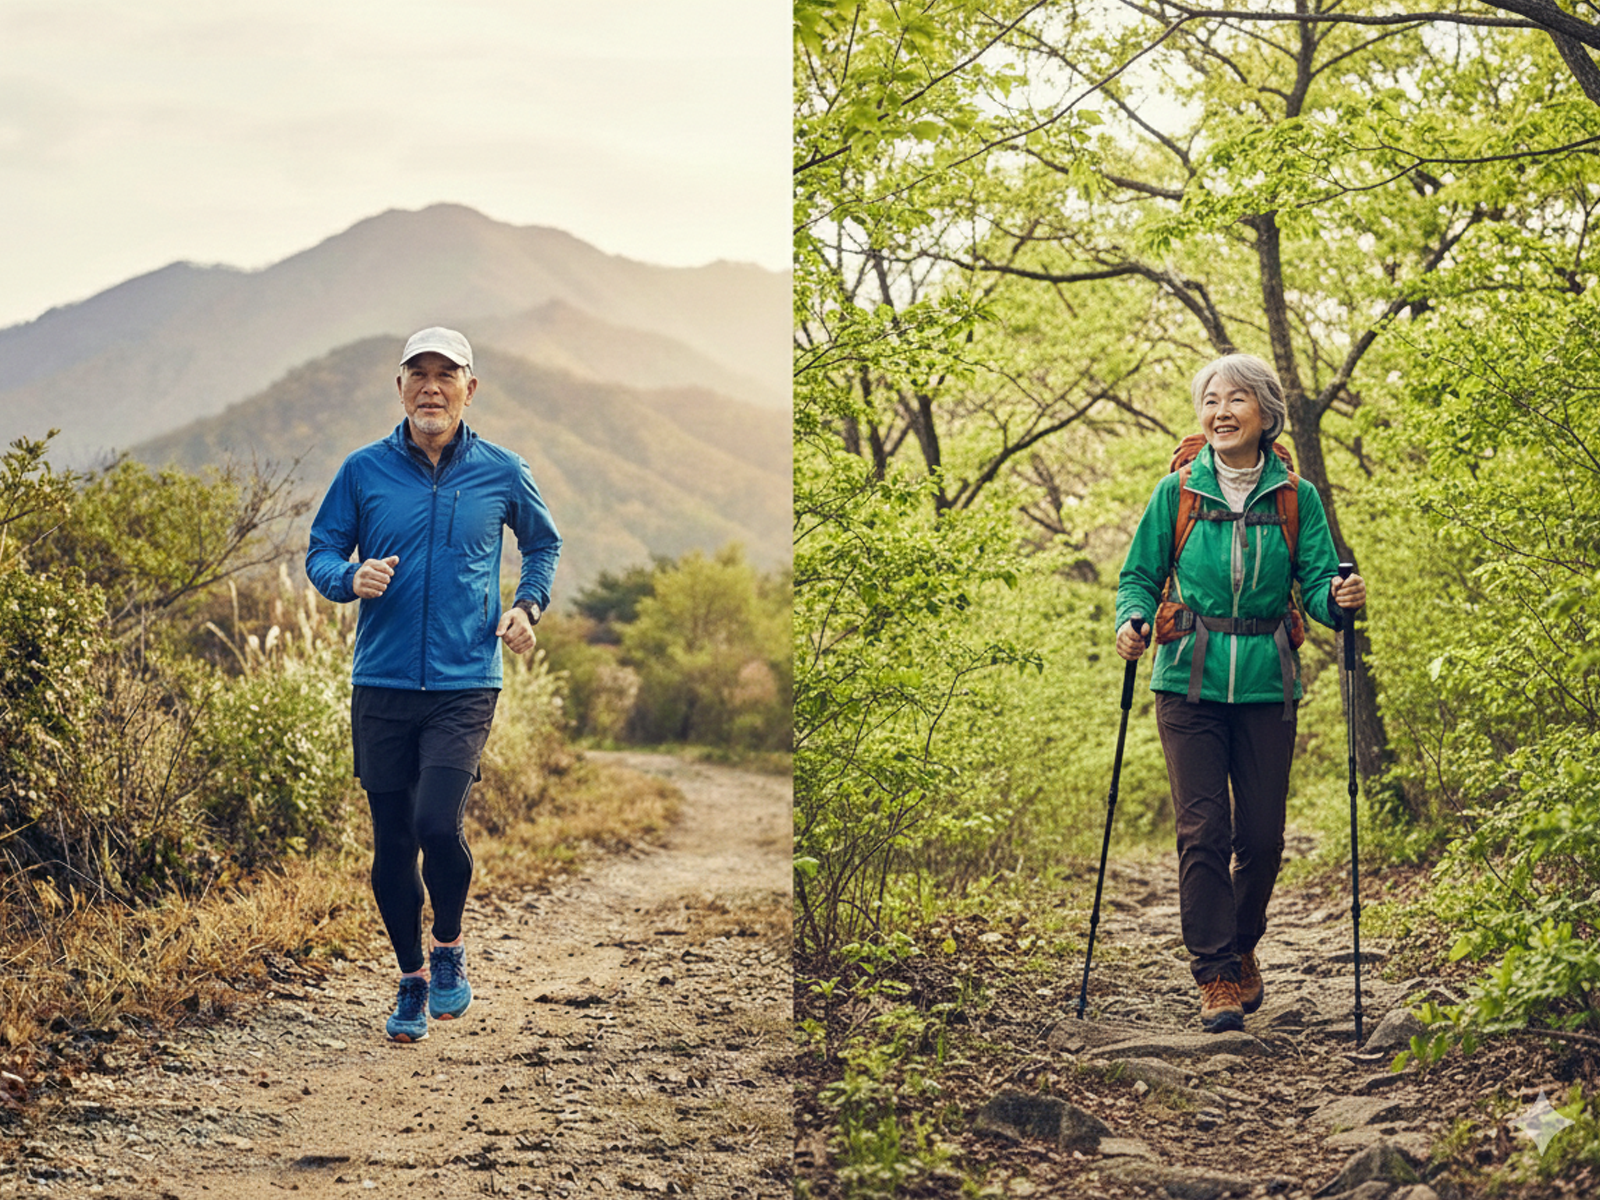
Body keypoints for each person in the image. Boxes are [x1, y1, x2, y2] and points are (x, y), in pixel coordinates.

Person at [306, 326, 561, 1043]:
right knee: (391, 840)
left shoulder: (504, 470)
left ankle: (448, 945)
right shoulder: (362, 471)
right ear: (399, 387)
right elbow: (322, 549)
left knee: (433, 823)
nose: (431, 387)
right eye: (417, 374)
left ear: (469, 388)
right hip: (381, 680)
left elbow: (543, 543)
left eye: (445, 374)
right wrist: (347, 578)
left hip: (465, 680)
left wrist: (526, 604)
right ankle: (412, 977)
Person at [1113, 352, 1366, 1033]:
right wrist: (1132, 621)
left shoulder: (1295, 498)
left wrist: (1339, 599)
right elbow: (1138, 577)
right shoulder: (1176, 494)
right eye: (1210, 401)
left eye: (1235, 400)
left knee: (1261, 835)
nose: (1220, 412)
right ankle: (1217, 974)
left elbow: (1316, 584)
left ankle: (1243, 943)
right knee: (1203, 830)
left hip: (1265, 683)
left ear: (1265, 413)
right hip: (1187, 683)